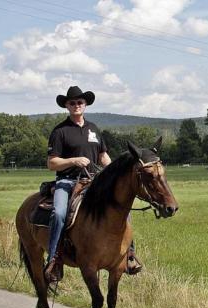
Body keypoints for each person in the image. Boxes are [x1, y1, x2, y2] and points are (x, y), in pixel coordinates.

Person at [44, 85, 142, 283]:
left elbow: (103, 156)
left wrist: (114, 171)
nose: (76, 105)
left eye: (80, 102)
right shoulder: (60, 131)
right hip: (67, 181)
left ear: (85, 104)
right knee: (59, 213)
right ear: (67, 106)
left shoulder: (93, 129)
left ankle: (128, 254)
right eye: (72, 103)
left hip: (93, 182)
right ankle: (54, 259)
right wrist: (73, 161)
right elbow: (52, 163)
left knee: (123, 209)